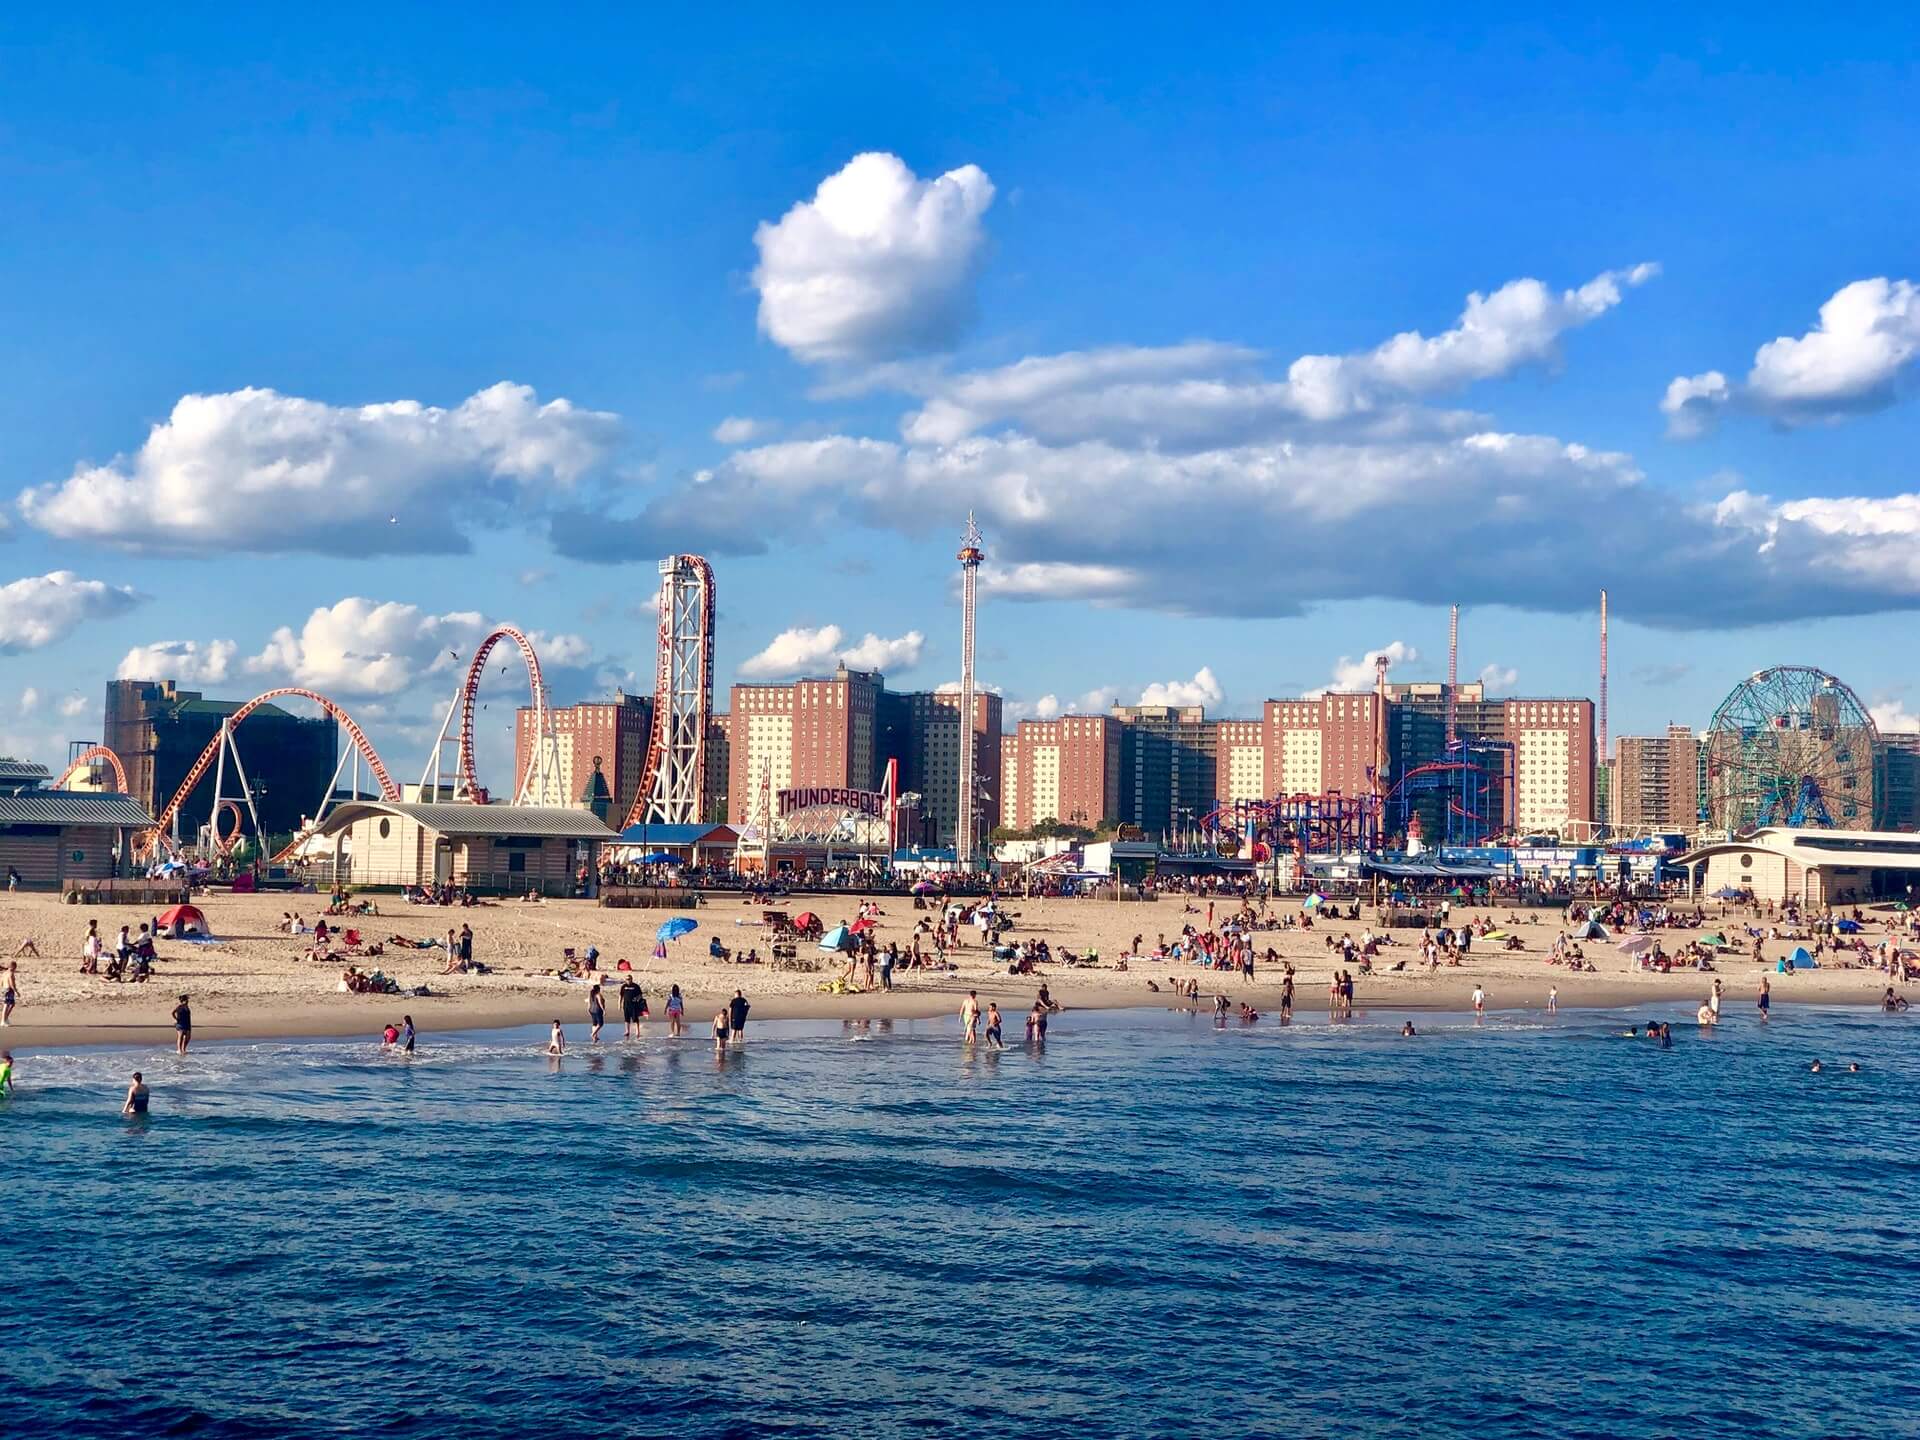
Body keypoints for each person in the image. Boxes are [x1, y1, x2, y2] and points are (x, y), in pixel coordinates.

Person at [2, 961, 17, 1025]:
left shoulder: (4, 973)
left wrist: (2, 989)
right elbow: (11, 983)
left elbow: (1, 981)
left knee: (12, 1004)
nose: (15, 969)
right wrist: (16, 991)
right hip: (9, 990)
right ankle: (3, 1021)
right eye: (15, 967)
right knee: (6, 1005)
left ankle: (5, 1018)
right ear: (13, 966)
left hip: (5, 989)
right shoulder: (10, 973)